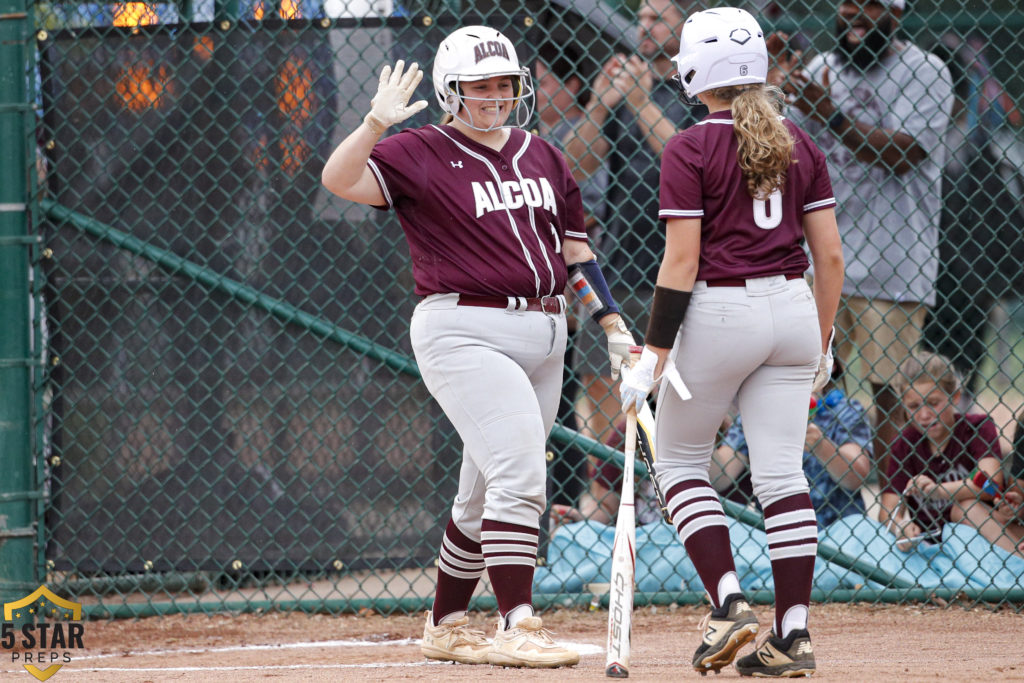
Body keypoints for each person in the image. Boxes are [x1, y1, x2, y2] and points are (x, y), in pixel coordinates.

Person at [320, 25, 638, 669]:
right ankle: (517, 621)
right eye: (478, 86)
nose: (494, 96)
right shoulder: (421, 149)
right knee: (521, 473)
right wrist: (374, 124)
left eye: (503, 84)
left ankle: (446, 622)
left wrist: (611, 324)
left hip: (549, 333)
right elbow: (339, 180)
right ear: (450, 90)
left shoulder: (543, 154)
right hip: (464, 328)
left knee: (482, 488)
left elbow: (576, 250)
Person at [618, 7, 844, 677]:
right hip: (793, 307)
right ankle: (793, 632)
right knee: (782, 474)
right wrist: (823, 339)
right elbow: (828, 258)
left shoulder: (688, 146)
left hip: (720, 312)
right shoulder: (800, 141)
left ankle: (729, 602)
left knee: (681, 464)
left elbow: (680, 263)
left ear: (694, 72)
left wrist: (650, 358)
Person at [769, 0, 953, 485]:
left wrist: (832, 116)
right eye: (848, 4)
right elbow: (785, 154)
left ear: (895, 13)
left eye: (871, 5)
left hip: (894, 262)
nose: (855, 15)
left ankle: (891, 504)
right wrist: (770, 91)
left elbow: (905, 154)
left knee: (891, 393)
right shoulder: (819, 70)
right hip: (818, 259)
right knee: (809, 382)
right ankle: (813, 496)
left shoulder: (925, 71)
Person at [562, 0, 707, 450]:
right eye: (641, 18)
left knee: (686, 404)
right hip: (622, 265)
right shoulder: (625, 86)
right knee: (608, 405)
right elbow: (572, 166)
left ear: (686, 25)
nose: (643, 27)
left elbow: (692, 165)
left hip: (686, 269)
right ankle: (611, 496)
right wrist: (602, 106)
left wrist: (641, 103)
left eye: (656, 18)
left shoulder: (704, 89)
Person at [921, 33, 1024, 405]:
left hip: (960, 275)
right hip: (949, 274)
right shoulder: (966, 146)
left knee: (957, 350)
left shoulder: (977, 148)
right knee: (941, 354)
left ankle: (957, 417)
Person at [712, 356, 872, 528]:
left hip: (840, 528)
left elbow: (856, 477)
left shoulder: (845, 411)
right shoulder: (757, 411)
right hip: (775, 528)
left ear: (830, 364)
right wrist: (698, 438)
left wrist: (821, 447)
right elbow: (722, 477)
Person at [879, 351, 1011, 553]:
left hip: (981, 540)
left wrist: (938, 490)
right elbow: (888, 510)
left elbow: (991, 484)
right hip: (930, 544)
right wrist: (900, 526)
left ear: (955, 397)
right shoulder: (905, 444)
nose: (924, 415)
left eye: (933, 403)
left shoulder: (977, 428)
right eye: (913, 406)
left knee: (965, 508)